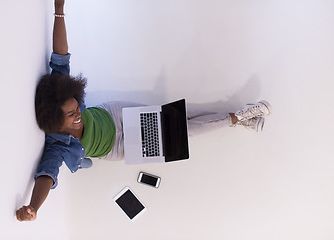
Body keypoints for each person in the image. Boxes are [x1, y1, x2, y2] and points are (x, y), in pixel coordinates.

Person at [16, 0, 272, 222]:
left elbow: (60, 56)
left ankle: (239, 117)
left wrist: (59, 10)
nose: (77, 114)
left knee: (180, 113)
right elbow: (46, 176)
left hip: (116, 115)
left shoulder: (58, 88)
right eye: (71, 116)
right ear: (54, 121)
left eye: (76, 107)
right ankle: (238, 117)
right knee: (184, 135)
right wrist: (33, 207)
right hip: (119, 147)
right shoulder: (56, 147)